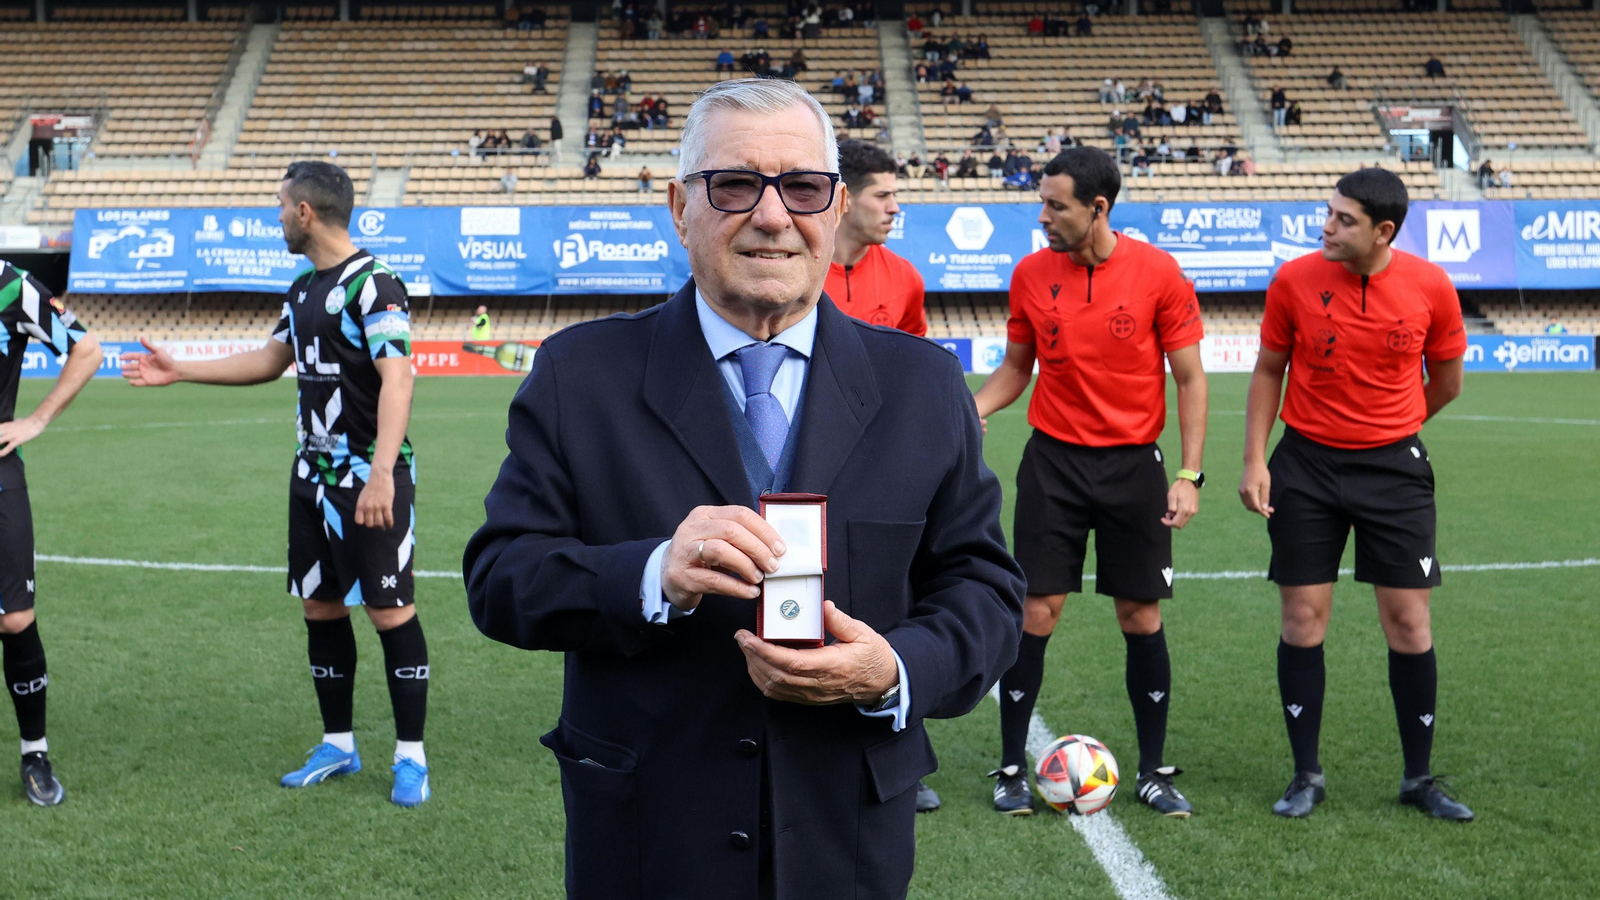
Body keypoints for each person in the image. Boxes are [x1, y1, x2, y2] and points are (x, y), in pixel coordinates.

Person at [462, 77, 1024, 899]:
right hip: (648, 841)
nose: (771, 215)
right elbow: (501, 578)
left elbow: (987, 592)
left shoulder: (924, 386)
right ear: (679, 206)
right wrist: (652, 573)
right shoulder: (579, 376)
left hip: (846, 843)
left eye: (802, 187)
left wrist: (893, 668)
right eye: (734, 184)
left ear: (836, 207)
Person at [120, 161, 431, 807]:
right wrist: (182, 370)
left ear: (305, 213)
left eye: (282, 206)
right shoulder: (303, 288)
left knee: (389, 610)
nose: (278, 217)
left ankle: (411, 757)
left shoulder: (375, 284)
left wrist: (380, 473)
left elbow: (398, 377)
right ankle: (338, 745)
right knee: (320, 607)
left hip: (367, 479)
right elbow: (270, 359)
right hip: (310, 478)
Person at [975, 146, 1209, 818]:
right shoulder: (1030, 273)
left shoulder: (1158, 273)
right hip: (1053, 464)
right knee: (1036, 611)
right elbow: (1016, 367)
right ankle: (1011, 768)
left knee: (1140, 614)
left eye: (1056, 206)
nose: (1042, 217)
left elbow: (1190, 379)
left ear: (1098, 208)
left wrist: (1189, 474)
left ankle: (1153, 771)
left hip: (1135, 467)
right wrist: (973, 408)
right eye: (1042, 203)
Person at [1239, 167, 1474, 824]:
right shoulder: (1293, 280)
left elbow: (1448, 380)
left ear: (1383, 230)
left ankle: (1419, 778)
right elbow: (1269, 370)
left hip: (1394, 472)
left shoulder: (1431, 285)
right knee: (1302, 619)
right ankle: (1306, 774)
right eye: (1329, 212)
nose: (1327, 227)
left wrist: (1392, 429)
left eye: (1344, 219)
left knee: (1409, 623)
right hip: (1305, 466)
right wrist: (1255, 459)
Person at [0, 261, 98, 807]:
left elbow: (88, 349)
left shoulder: (11, 287)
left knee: (15, 618)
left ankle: (34, 753)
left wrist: (35, 420)